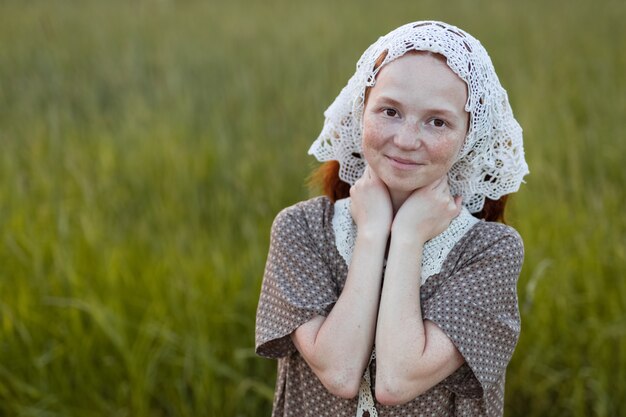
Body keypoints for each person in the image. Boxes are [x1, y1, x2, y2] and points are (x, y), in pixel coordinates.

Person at [255, 20, 529, 417]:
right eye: (390, 111)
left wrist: (407, 238)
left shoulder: (490, 252)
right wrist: (371, 232)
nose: (405, 139)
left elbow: (396, 381)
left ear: (470, 134)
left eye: (437, 121)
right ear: (360, 110)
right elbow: (340, 371)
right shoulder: (302, 230)